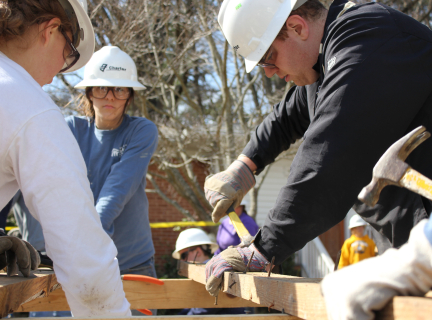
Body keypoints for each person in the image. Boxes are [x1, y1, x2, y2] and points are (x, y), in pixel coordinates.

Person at [204, 0, 432, 299]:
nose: (269, 72)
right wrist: (244, 166)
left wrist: (264, 249)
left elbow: (329, 158)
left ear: (297, 27)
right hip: (414, 236)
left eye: (268, 58)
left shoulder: (369, 40)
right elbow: (288, 116)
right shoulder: (327, 57)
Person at [0, 0, 130, 316]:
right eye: (68, 54)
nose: (60, 71)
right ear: (51, 29)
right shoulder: (30, 107)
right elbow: (85, 261)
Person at [322, 217, 432, 320]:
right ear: (352, 229)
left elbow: (371, 256)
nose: (359, 229)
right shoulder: (348, 243)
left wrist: (420, 261)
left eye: (361, 227)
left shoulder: (369, 242)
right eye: (357, 227)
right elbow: (344, 259)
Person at [173, 228, 247, 315]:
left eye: (184, 255)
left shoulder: (216, 272)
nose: (183, 260)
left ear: (198, 252)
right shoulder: (202, 272)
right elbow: (194, 306)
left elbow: (205, 309)